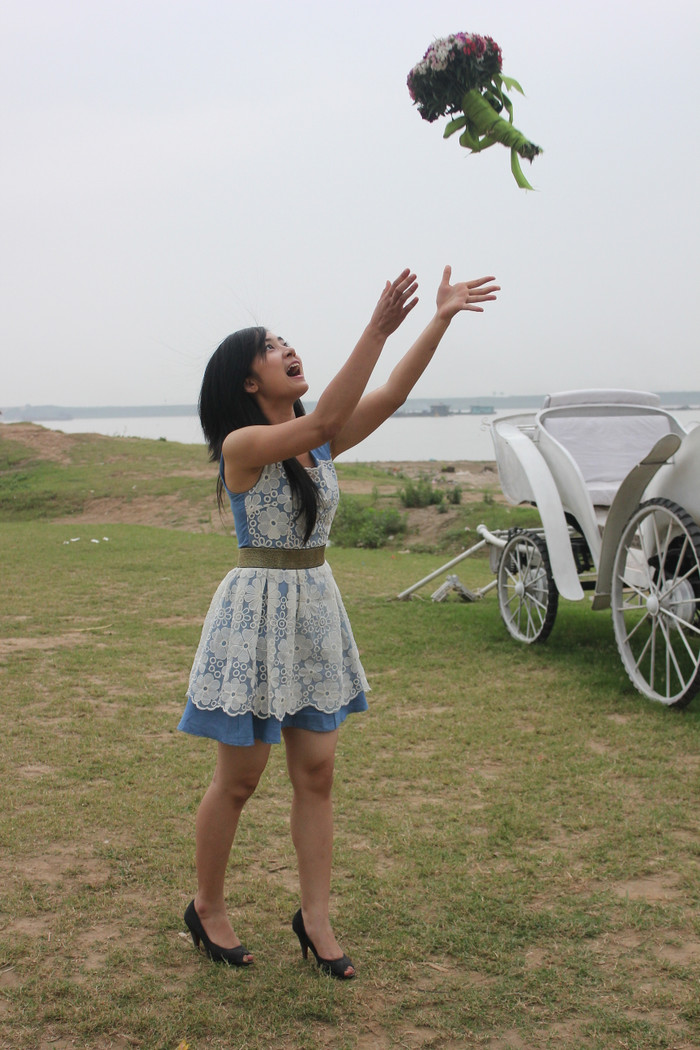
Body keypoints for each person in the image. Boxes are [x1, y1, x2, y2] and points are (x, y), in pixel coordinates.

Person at [178, 265, 499, 978]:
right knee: (240, 778)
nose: (288, 349)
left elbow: (390, 396)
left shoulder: (316, 445)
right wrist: (375, 329)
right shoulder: (241, 446)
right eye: (272, 347)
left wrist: (437, 319)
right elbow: (324, 419)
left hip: (314, 607)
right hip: (257, 610)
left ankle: (315, 917)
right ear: (248, 382)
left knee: (317, 772)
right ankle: (206, 905)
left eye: (286, 340)